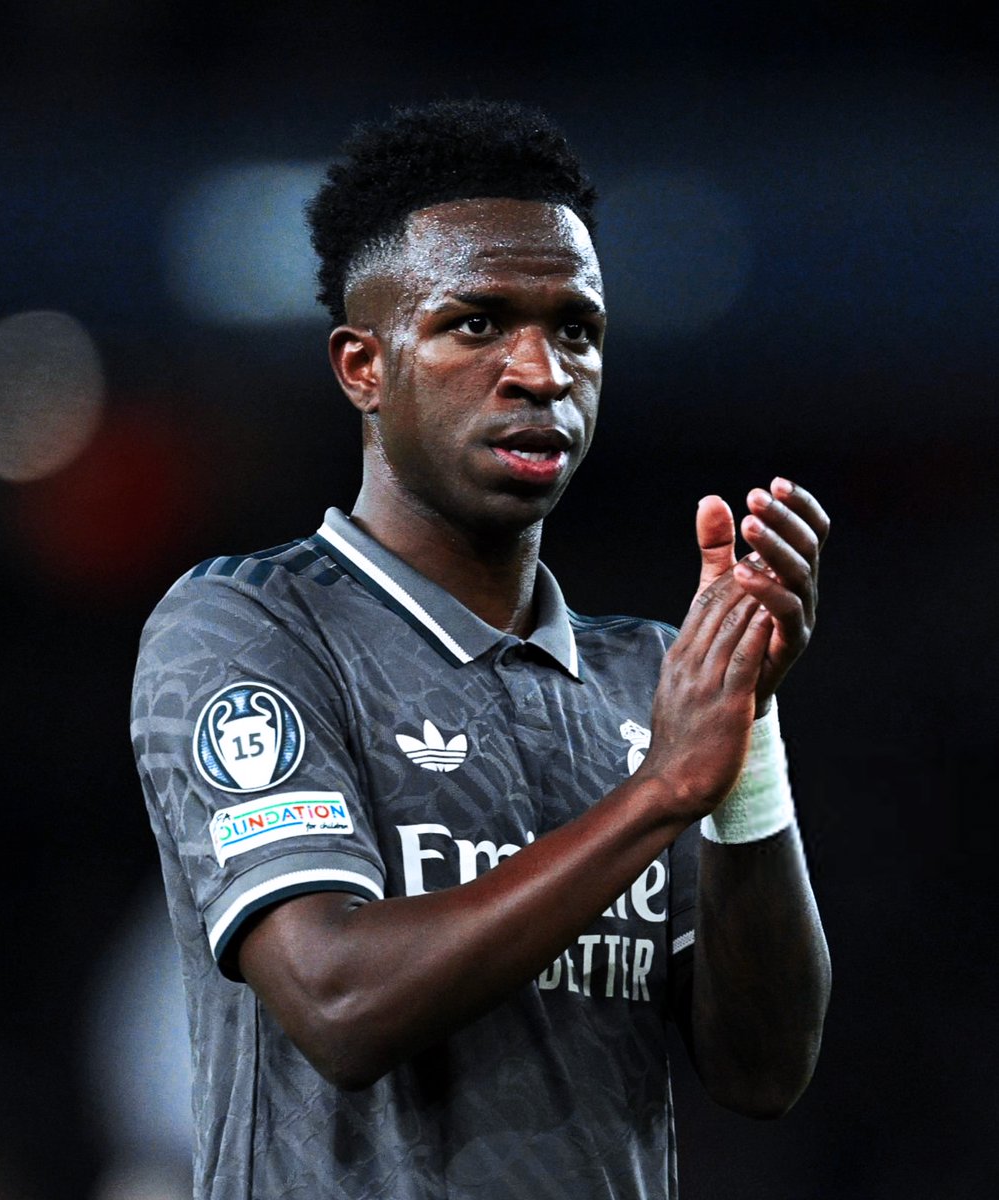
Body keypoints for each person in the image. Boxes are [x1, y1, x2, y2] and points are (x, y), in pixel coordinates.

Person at [131, 99, 831, 1200]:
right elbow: (338, 1003)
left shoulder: (645, 680)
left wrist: (743, 744)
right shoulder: (248, 626)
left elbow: (760, 1069)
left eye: (576, 330)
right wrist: (657, 792)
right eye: (477, 324)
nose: (541, 371)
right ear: (362, 366)